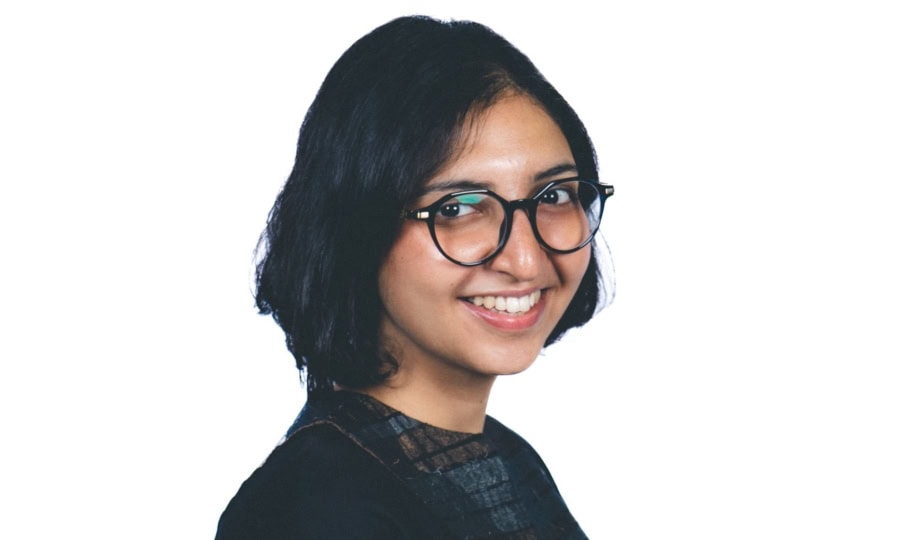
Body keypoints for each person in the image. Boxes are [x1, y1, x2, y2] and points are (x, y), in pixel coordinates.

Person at [216, 15, 614, 539]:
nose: (525, 259)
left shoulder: (503, 462)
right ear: (355, 231)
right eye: (460, 205)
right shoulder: (316, 509)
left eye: (555, 195)